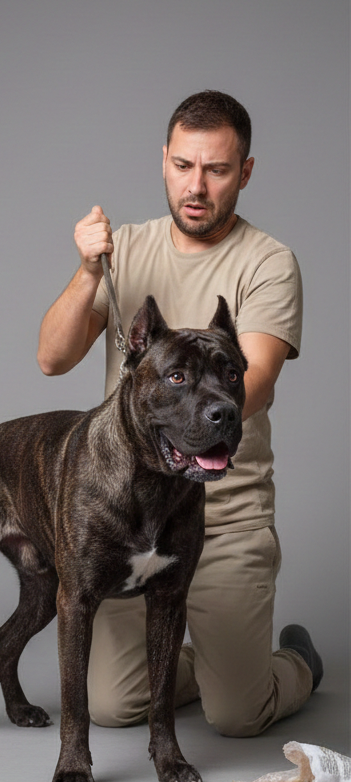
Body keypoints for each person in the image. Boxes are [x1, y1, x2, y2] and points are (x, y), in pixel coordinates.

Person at [36, 90, 322, 738]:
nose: (197, 186)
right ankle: (196, 666)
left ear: (245, 172)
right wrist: (87, 272)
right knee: (114, 706)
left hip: (224, 511)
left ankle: (296, 663)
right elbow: (52, 358)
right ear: (163, 160)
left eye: (217, 169)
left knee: (239, 715)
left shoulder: (269, 262)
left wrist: (196, 417)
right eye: (184, 166)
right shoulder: (127, 250)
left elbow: (257, 382)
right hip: (127, 511)